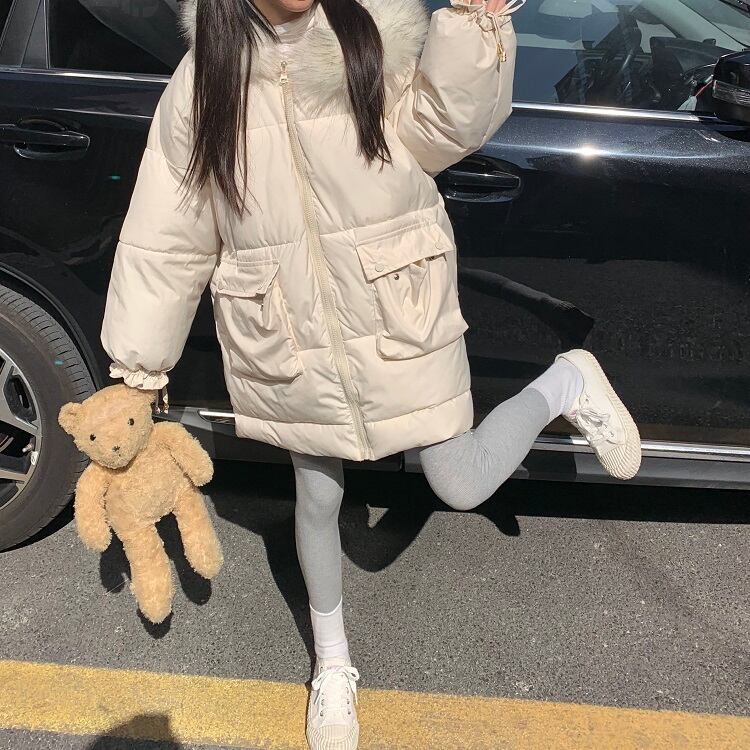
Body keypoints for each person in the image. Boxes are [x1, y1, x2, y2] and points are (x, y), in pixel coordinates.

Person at [99, 0, 641, 747]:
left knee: (459, 481)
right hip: (285, 332)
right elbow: (168, 232)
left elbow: (443, 132)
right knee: (316, 497)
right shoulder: (204, 80)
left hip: (396, 307)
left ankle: (568, 381)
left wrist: (474, 30)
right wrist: (137, 368)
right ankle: (332, 666)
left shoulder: (373, 29)